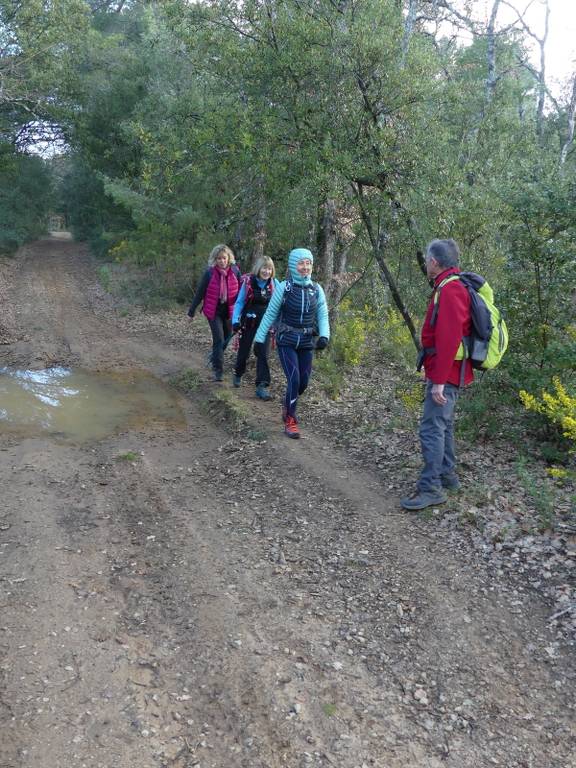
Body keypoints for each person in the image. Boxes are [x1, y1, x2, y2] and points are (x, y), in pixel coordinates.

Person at [401, 238, 473, 511]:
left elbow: (448, 339)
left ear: (433, 262)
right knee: (444, 425)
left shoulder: (452, 289)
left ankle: (431, 488)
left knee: (432, 428)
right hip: (447, 371)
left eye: (427, 260)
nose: (426, 264)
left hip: (449, 373)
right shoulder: (448, 285)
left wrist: (439, 381)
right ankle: (447, 476)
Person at [253, 247, 329, 439]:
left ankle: (287, 404)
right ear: (293, 265)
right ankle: (290, 420)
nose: (305, 267)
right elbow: (270, 314)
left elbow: (323, 315)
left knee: (303, 383)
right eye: (301, 263)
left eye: (308, 263)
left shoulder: (316, 289)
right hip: (286, 340)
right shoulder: (284, 288)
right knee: (293, 379)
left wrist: (324, 336)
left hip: (306, 342)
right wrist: (259, 339)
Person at [187, 245, 241, 381]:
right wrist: (191, 312)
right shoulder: (210, 273)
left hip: (230, 311)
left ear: (229, 258)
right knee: (219, 339)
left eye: (224, 258)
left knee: (226, 338)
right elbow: (200, 292)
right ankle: (218, 370)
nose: (221, 261)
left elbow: (242, 292)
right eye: (219, 259)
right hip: (213, 311)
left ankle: (215, 356)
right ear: (215, 259)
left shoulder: (235, 271)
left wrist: (244, 311)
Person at [231, 255, 279, 400]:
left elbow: (278, 305)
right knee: (244, 352)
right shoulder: (248, 283)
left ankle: (262, 386)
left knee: (263, 353)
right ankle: (238, 373)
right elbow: (239, 303)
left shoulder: (275, 284)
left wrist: (278, 324)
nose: (267, 271)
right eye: (264, 268)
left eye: (269, 269)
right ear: (258, 268)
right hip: (248, 323)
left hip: (265, 325)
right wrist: (235, 321)